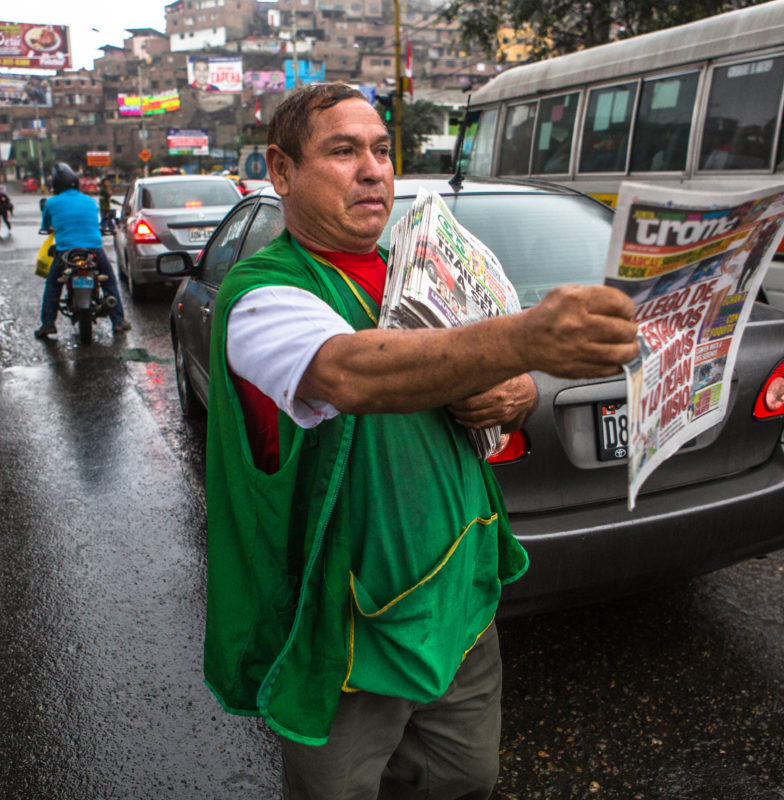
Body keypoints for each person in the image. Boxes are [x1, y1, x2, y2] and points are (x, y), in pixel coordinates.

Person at [204, 83, 638, 799]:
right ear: (281, 171)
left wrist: (520, 386)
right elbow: (350, 373)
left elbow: (478, 376)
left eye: (381, 149)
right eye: (343, 151)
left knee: (466, 779)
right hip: (349, 635)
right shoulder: (261, 294)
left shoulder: (416, 267)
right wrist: (525, 338)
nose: (374, 169)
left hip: (459, 604)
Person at [34, 162, 130, 338]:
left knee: (53, 285)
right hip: (94, 250)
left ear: (55, 185)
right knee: (109, 281)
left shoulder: (51, 203)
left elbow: (46, 226)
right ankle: (118, 321)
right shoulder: (90, 201)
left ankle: (48, 324)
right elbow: (96, 222)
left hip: (65, 252)